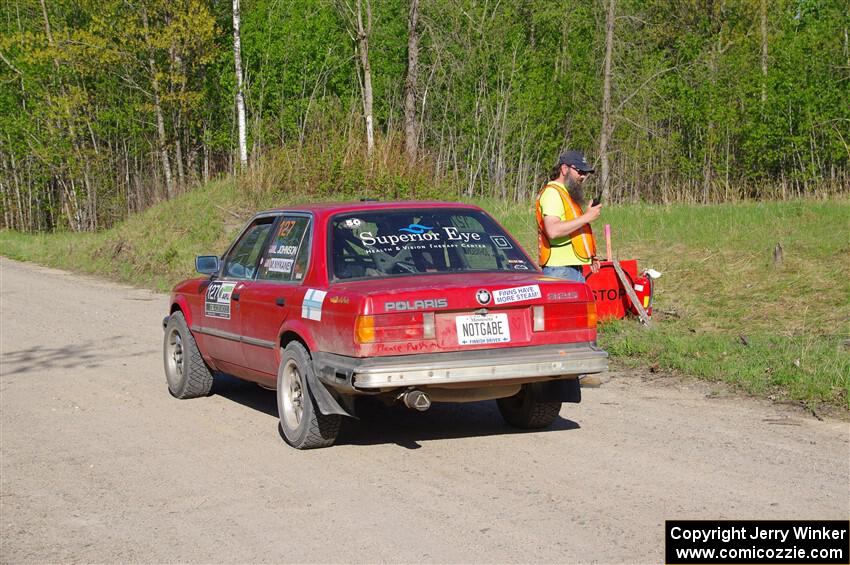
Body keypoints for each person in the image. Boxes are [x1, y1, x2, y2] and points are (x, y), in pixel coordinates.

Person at [535, 150, 602, 283]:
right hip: (560, 271)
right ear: (564, 169)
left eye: (586, 173)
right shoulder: (552, 194)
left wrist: (590, 256)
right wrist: (587, 217)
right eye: (580, 172)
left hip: (570, 269)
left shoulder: (566, 194)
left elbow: (575, 231)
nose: (583, 177)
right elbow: (553, 231)